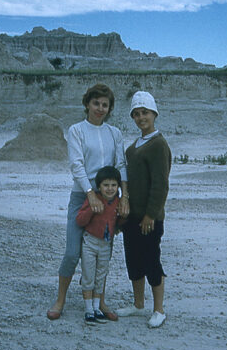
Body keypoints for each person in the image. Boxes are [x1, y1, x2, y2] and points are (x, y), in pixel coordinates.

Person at [46, 84, 128, 321]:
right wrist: (90, 193)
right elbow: (76, 164)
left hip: (109, 199)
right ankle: (60, 299)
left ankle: (100, 301)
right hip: (82, 197)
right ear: (87, 104)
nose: (100, 109)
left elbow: (121, 165)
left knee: (104, 253)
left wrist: (124, 197)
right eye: (96, 103)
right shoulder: (77, 130)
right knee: (72, 252)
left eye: (105, 105)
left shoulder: (115, 133)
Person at [118, 91, 172, 328]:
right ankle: (138, 304)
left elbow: (160, 184)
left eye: (145, 113)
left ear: (154, 114)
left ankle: (158, 309)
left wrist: (151, 214)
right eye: (137, 114)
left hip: (149, 217)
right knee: (133, 260)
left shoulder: (159, 144)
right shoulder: (132, 148)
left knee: (152, 261)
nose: (141, 118)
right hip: (132, 215)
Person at [75, 166, 124, 325]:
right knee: (88, 275)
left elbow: (118, 221)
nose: (110, 189)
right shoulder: (93, 199)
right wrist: (92, 210)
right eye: (106, 185)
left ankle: (97, 307)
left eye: (113, 185)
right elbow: (80, 220)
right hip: (90, 242)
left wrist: (121, 223)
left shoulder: (117, 201)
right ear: (99, 186)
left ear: (118, 187)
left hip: (106, 244)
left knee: (101, 275)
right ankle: (88, 309)